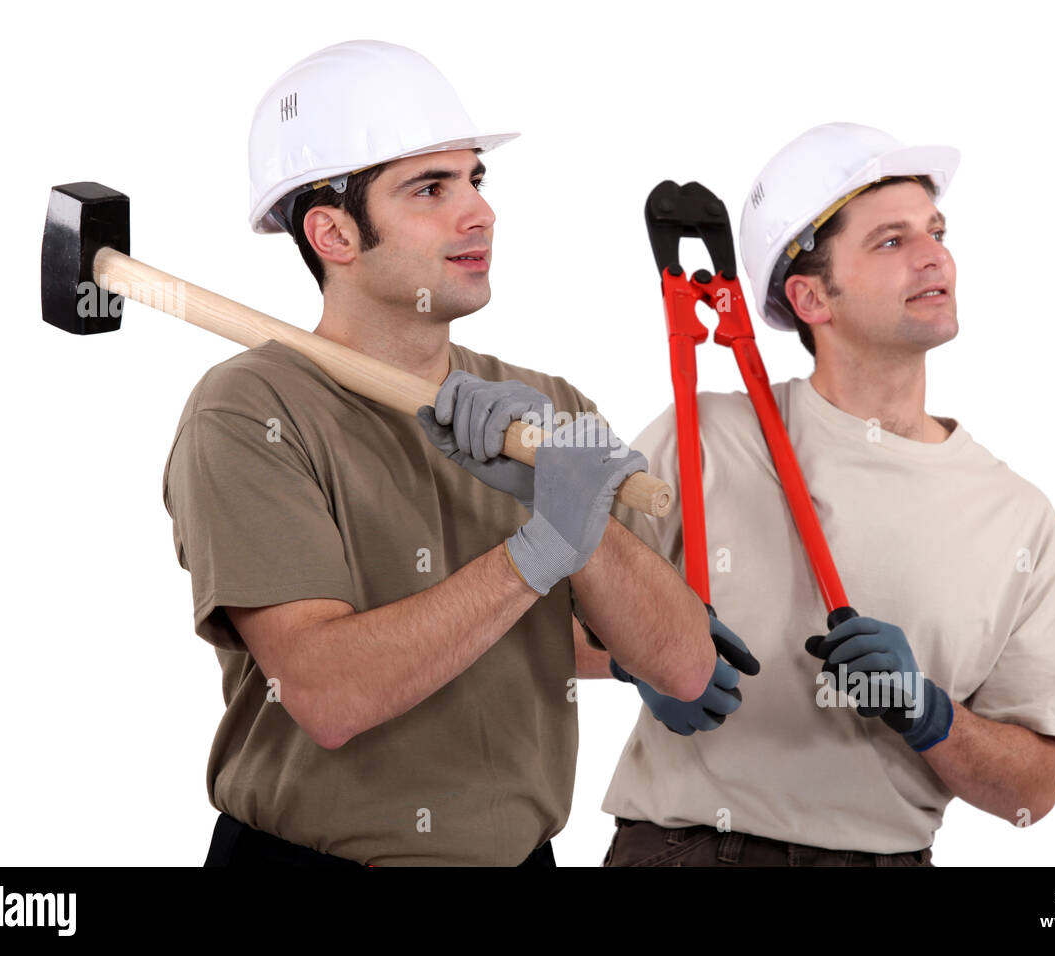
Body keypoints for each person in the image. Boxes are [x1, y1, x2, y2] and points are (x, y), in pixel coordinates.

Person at [162, 39, 719, 868]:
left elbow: (684, 666)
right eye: (430, 188)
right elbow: (328, 692)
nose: (478, 213)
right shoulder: (252, 411)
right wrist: (536, 554)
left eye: (475, 179)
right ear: (333, 232)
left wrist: (579, 523)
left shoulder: (548, 409)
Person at [601, 122, 1055, 866]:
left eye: (936, 231)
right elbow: (551, 627)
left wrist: (931, 715)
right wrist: (642, 660)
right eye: (891, 241)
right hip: (679, 849)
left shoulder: (1017, 517)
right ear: (810, 297)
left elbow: (1033, 793)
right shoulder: (703, 436)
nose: (935, 257)